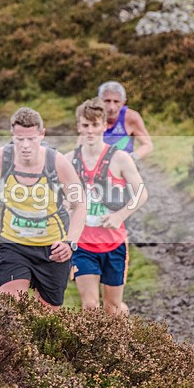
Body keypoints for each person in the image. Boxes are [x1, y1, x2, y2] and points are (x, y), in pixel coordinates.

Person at [0, 108, 87, 310]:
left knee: (45, 318)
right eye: (19, 139)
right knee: (11, 308)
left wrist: (70, 243)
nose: (25, 145)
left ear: (42, 134)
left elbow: (80, 205)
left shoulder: (57, 163)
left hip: (52, 249)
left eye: (31, 139)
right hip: (13, 244)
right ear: (12, 135)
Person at [66, 98, 148, 315]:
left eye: (95, 125)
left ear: (104, 126)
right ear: (78, 127)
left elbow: (141, 193)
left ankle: (123, 326)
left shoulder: (120, 159)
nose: (90, 131)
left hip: (114, 243)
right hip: (82, 244)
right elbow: (59, 196)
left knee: (112, 309)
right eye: (85, 125)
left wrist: (119, 216)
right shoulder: (69, 160)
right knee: (90, 306)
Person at [99, 81, 153, 161]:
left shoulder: (131, 117)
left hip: (123, 164)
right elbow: (82, 144)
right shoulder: (92, 117)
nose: (111, 107)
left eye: (116, 101)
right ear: (99, 101)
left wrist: (131, 158)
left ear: (123, 102)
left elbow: (147, 145)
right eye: (107, 101)